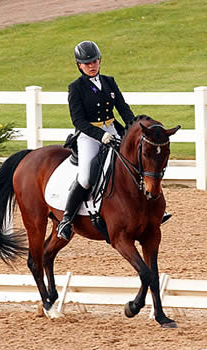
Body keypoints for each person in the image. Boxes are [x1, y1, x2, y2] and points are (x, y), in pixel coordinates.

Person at [57, 41, 170, 241]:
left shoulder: (109, 81)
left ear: (99, 61)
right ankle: (67, 219)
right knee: (85, 176)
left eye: (94, 61)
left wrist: (135, 128)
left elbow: (123, 107)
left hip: (113, 129)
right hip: (89, 135)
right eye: (86, 63)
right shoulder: (76, 87)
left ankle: (151, 211)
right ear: (79, 65)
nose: (91, 65)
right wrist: (100, 135)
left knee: (137, 163)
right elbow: (78, 120)